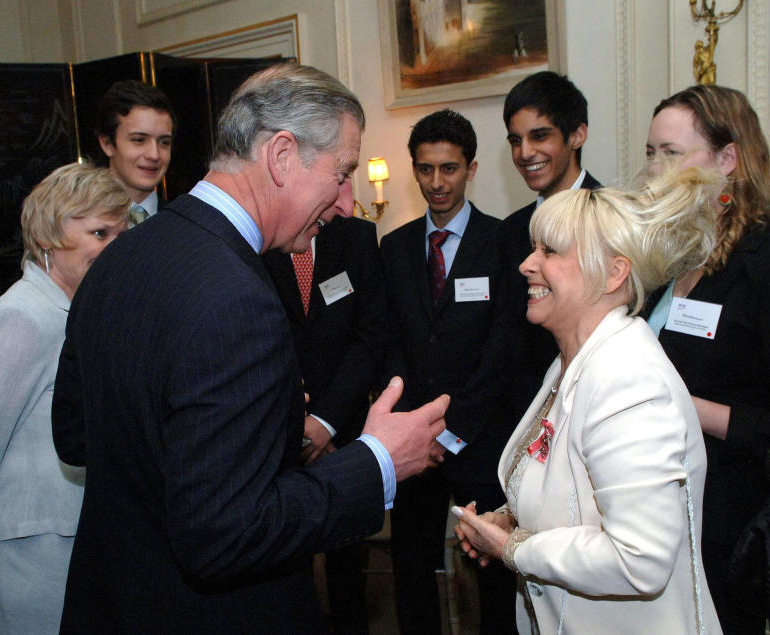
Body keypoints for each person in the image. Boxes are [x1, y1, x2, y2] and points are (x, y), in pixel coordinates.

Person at [51, 63, 449, 634]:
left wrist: (251, 426)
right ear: (282, 156)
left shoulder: (119, 257)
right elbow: (224, 535)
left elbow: (78, 435)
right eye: (341, 174)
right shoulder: (237, 298)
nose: (345, 203)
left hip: (117, 599)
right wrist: (379, 460)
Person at [453, 167, 725, 634]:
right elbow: (574, 498)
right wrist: (506, 521)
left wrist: (515, 548)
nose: (526, 264)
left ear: (615, 271)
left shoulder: (628, 381)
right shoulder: (568, 364)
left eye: (550, 251)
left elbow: (639, 559)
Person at [642, 84, 770, 634]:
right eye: (650, 153)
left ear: (727, 160)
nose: (653, 170)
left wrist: (694, 409)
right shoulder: (668, 262)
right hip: (652, 526)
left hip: (724, 533)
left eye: (671, 153)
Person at [0, 163, 129, 634]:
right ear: (46, 236)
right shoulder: (23, 317)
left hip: (77, 533)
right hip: (34, 542)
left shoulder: (78, 310)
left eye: (120, 235)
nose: (113, 249)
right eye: (99, 232)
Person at [380, 109, 517, 635]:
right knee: (411, 567)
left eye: (450, 169)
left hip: (477, 440)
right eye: (426, 169)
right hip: (411, 442)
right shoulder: (393, 247)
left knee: (492, 572)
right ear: (413, 169)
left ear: (472, 168)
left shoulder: (502, 242)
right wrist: (412, 425)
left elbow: (502, 349)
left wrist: (452, 431)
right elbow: (390, 341)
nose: (437, 183)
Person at [262, 213, 390, 634]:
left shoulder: (356, 237)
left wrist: (325, 423)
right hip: (278, 430)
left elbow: (371, 335)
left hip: (344, 428)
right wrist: (297, 425)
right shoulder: (263, 235)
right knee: (283, 566)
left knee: (346, 567)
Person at [498, 72, 602, 424]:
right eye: (516, 140)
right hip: (522, 418)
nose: (525, 153)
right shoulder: (511, 230)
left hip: (595, 410)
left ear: (577, 135)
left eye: (539, 136)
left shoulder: (610, 219)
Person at [96, 79, 175, 222]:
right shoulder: (78, 223)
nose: (154, 155)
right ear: (107, 144)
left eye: (164, 142)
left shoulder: (182, 225)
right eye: (139, 140)